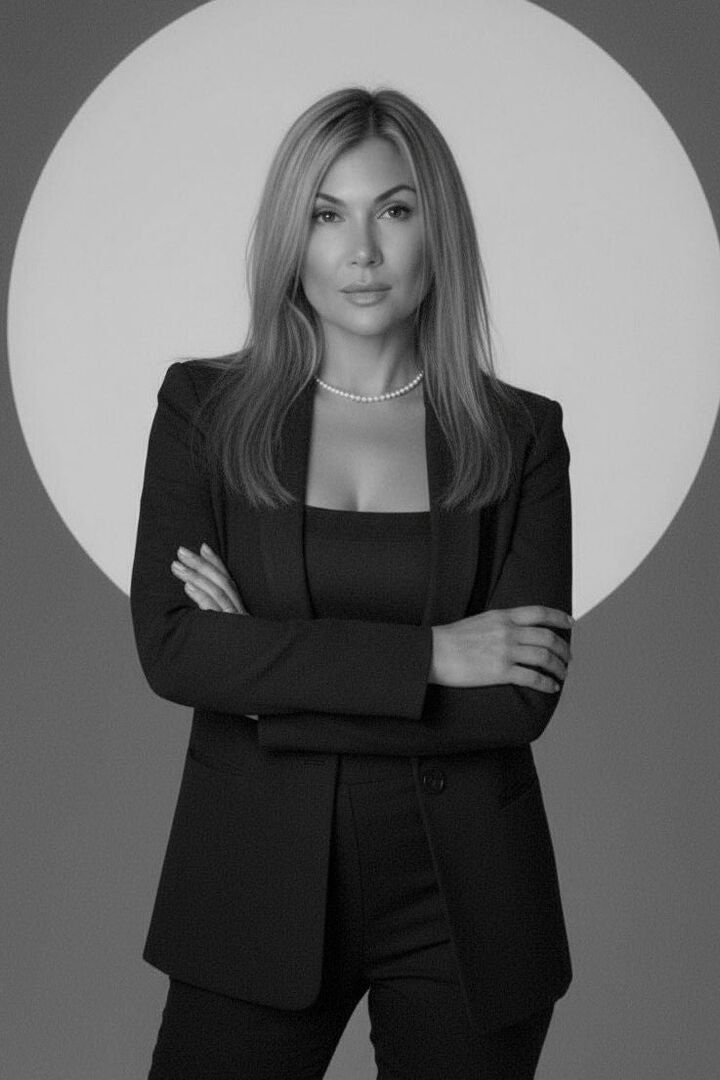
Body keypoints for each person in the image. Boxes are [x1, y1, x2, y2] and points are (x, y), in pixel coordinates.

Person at [131, 86, 573, 1080]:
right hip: (253, 879)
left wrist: (269, 686)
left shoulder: (521, 434)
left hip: (468, 900)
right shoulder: (205, 410)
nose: (362, 250)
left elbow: (518, 700)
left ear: (436, 229)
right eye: (328, 214)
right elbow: (176, 648)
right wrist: (435, 657)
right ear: (292, 236)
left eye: (395, 210)